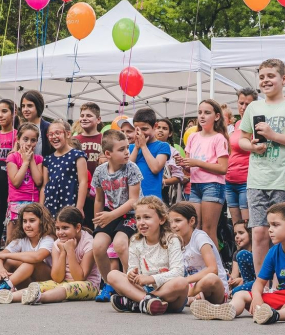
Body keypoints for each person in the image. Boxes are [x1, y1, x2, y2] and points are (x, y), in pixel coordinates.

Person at [238, 58, 285, 271]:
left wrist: (273, 135)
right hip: (257, 180)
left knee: (281, 234)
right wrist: (252, 147)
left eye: (271, 76)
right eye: (262, 77)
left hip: (283, 179)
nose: (265, 80)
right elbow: (241, 139)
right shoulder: (254, 106)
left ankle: (280, 282)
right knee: (258, 233)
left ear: (283, 79)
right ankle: (261, 285)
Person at [107, 195, 187, 315]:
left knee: (182, 282)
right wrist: (131, 275)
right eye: (138, 218)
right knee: (112, 275)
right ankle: (146, 302)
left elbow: (178, 271)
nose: (141, 222)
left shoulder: (171, 239)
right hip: (143, 288)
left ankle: (139, 302)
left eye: (147, 217)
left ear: (162, 219)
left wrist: (151, 279)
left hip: (169, 294)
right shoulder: (135, 240)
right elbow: (131, 268)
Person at [90, 129, 142, 304]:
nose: (127, 151)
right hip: (110, 213)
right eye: (121, 149)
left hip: (132, 214)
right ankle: (109, 284)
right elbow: (98, 198)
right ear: (108, 154)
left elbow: (134, 201)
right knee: (97, 246)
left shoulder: (132, 168)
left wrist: (110, 216)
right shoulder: (99, 171)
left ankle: (131, 283)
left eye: (127, 147)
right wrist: (97, 220)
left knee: (120, 245)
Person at [16, 206, 101, 305]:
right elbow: (57, 278)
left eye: (65, 228)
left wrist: (70, 251)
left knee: (65, 288)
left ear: (78, 227)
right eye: (57, 228)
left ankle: (39, 297)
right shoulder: (57, 244)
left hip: (89, 285)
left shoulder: (89, 243)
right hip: (63, 282)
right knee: (39, 286)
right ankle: (8, 296)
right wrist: (63, 252)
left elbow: (79, 278)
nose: (60, 233)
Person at [0, 202, 55, 302]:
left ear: (42, 222)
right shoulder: (20, 241)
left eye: (32, 221)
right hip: (27, 282)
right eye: (25, 221)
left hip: (48, 281)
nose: (27, 225)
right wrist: (0, 268)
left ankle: (5, 286)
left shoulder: (47, 239)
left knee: (29, 262)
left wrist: (7, 255)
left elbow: (37, 257)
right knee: (8, 261)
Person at [178, 100, 228, 244]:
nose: (202, 116)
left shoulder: (219, 138)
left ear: (217, 116)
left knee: (208, 230)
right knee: (194, 229)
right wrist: (182, 163)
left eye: (207, 112)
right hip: (195, 185)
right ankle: (200, 265)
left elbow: (223, 168)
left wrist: (196, 163)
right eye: (200, 112)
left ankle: (217, 266)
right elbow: (188, 167)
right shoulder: (193, 136)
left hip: (213, 185)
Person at [171, 202, 229, 319]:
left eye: (177, 221)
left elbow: (213, 269)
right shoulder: (175, 241)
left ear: (191, 221)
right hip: (192, 286)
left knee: (210, 279)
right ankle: (193, 299)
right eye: (170, 222)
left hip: (215, 289)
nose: (173, 225)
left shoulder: (200, 238)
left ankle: (185, 298)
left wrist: (184, 281)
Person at [41, 120, 88, 216]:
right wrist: (41, 207)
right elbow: (44, 186)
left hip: (70, 204)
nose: (54, 137)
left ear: (68, 134)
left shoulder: (77, 155)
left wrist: (79, 207)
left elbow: (83, 182)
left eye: (57, 133)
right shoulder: (48, 160)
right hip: (50, 206)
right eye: (50, 134)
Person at [5, 124, 44, 238]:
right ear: (18, 139)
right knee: (13, 239)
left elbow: (38, 181)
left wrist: (30, 160)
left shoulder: (38, 159)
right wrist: (25, 162)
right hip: (16, 203)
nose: (29, 144)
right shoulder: (12, 157)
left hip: (33, 203)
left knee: (31, 239)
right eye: (25, 139)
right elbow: (16, 182)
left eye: (33, 140)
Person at [225, 88, 256, 224]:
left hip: (246, 181)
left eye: (247, 104)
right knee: (236, 227)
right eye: (241, 103)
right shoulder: (237, 124)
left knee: (246, 226)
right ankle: (240, 247)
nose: (243, 107)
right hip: (230, 180)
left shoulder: (256, 126)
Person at [129, 108, 171, 200]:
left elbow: (155, 168)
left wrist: (143, 146)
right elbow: (127, 169)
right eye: (137, 130)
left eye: (144, 129)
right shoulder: (131, 147)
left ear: (155, 126)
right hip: (133, 198)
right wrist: (136, 148)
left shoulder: (163, 146)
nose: (141, 133)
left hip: (152, 198)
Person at [20, 89, 51, 156]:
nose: (25, 109)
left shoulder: (48, 128)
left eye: (30, 106)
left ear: (38, 106)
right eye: (23, 106)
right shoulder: (21, 128)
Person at [74, 102, 103, 175]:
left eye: (89, 116)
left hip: (99, 183)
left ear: (98, 119)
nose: (84, 118)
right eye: (82, 116)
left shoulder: (105, 139)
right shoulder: (73, 140)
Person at [228, 220, 255, 294]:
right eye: (235, 234)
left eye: (241, 233)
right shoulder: (236, 253)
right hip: (246, 282)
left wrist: (241, 280)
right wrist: (231, 280)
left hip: (257, 281)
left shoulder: (258, 251)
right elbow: (234, 274)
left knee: (235, 291)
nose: (237, 236)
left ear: (250, 233)